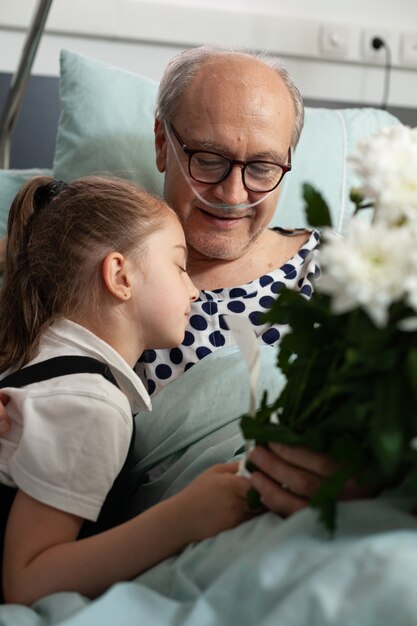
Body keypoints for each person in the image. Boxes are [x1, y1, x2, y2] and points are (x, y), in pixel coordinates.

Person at [0, 45, 355, 520]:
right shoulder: (87, 269)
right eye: (209, 159)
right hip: (169, 540)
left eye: (263, 168)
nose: (233, 194)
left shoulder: (349, 269)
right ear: (162, 143)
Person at [0, 175, 254, 605]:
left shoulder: (32, 355)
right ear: (120, 275)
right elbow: (26, 582)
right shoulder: (92, 404)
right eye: (179, 266)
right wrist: (184, 518)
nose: (194, 289)